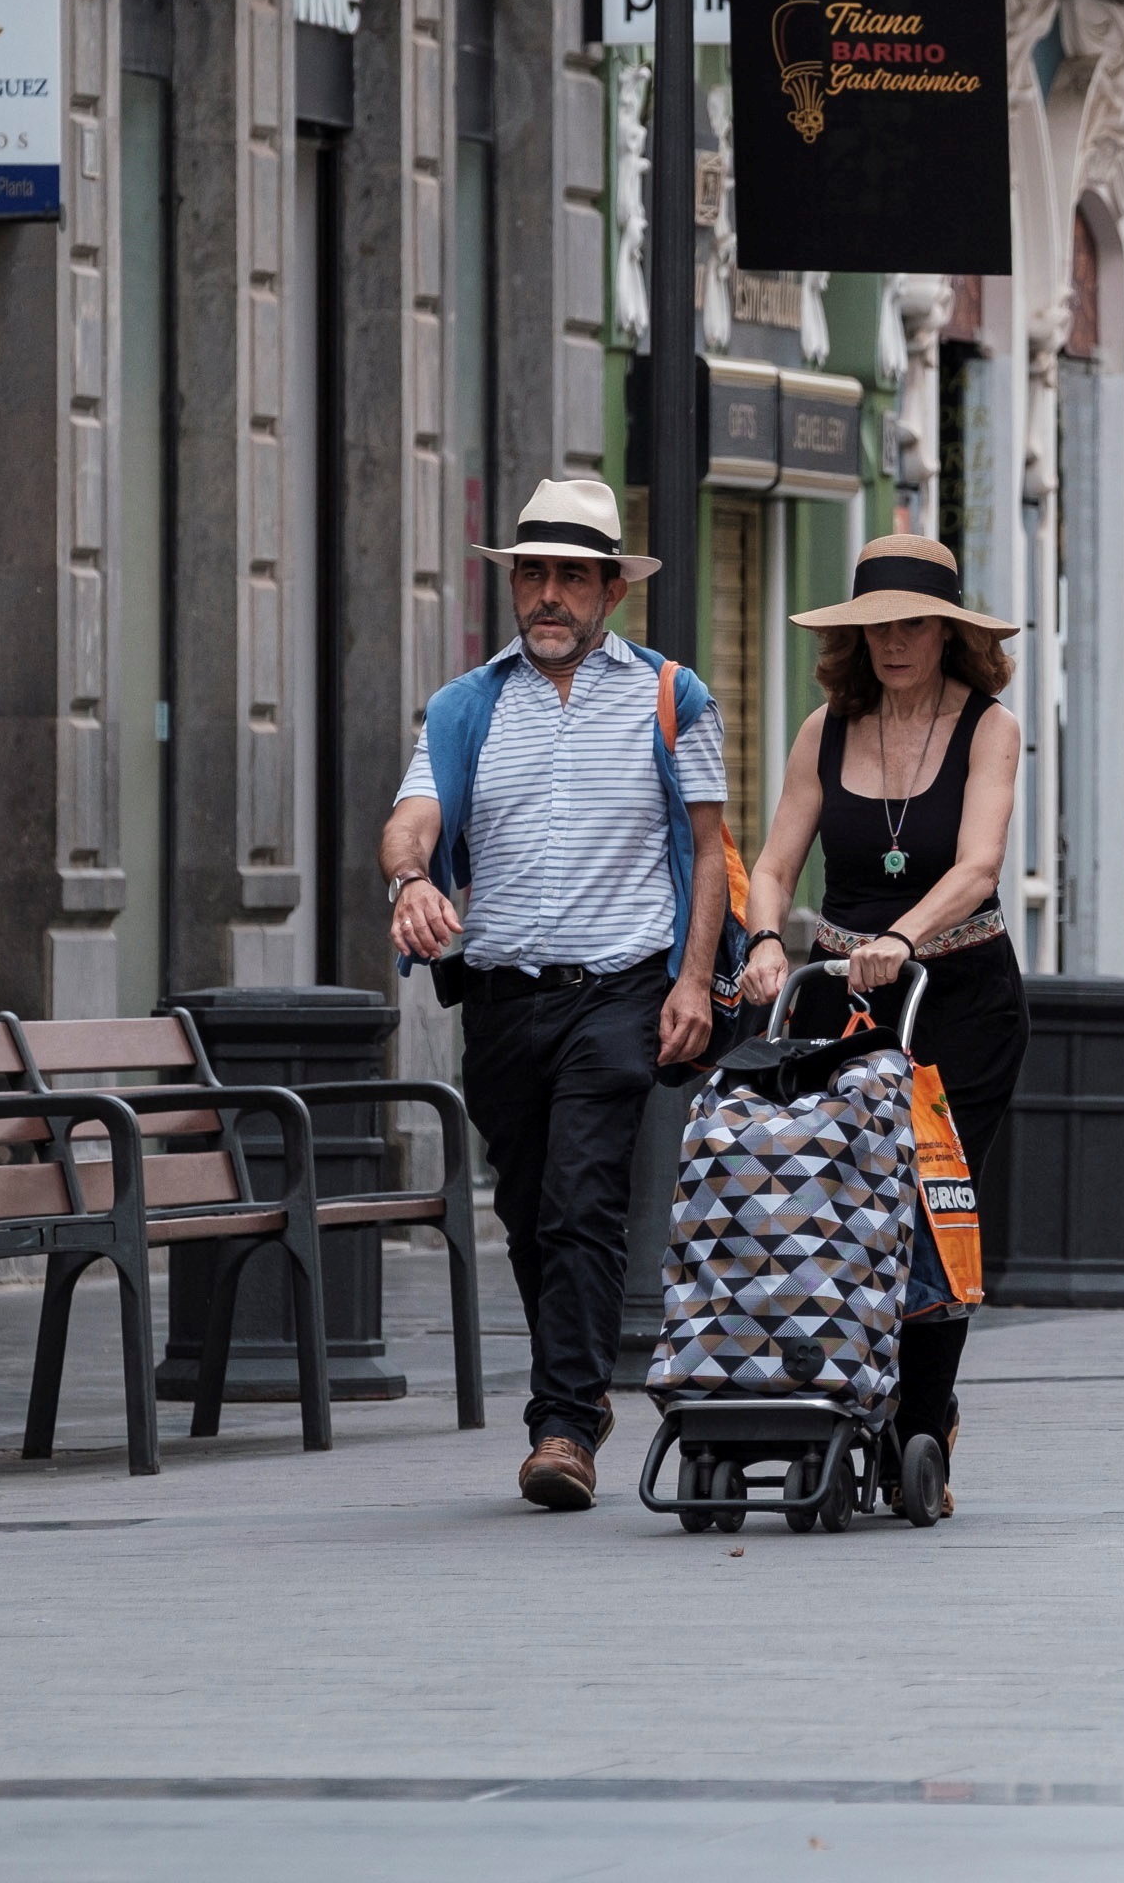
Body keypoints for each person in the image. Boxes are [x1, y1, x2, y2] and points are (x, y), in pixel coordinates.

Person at [381, 478, 731, 1512]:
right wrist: (409, 882)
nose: (547, 595)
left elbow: (710, 855)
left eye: (571, 577)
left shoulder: (675, 695)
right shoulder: (466, 705)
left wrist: (696, 982)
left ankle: (563, 1426)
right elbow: (413, 818)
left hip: (621, 988)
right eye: (533, 574)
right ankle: (576, 1391)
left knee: (584, 1197)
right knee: (532, 1213)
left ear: (612, 592)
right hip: (501, 1001)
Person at [742, 535, 1026, 1515]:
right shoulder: (826, 728)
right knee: (835, 1203)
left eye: (912, 624)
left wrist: (903, 936)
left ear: (949, 633)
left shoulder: (990, 727)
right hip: (849, 1001)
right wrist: (765, 940)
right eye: (876, 626)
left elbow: (979, 866)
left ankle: (921, 1422)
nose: (894, 642)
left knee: (929, 1211)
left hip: (963, 999)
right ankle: (830, 1396)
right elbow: (774, 861)